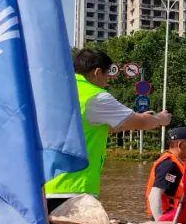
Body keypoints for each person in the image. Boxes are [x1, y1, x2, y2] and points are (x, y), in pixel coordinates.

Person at [45, 49, 171, 211]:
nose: (107, 81)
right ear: (97, 73)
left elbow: (92, 127)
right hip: (75, 188)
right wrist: (160, 119)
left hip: (45, 186)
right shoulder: (96, 97)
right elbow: (138, 122)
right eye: (107, 76)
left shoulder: (56, 92)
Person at [146, 127, 186, 221]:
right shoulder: (169, 165)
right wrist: (159, 222)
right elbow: (154, 195)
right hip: (165, 216)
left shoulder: (176, 162)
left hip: (173, 215)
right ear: (181, 145)